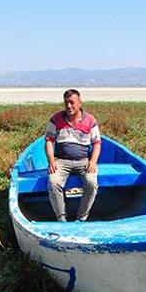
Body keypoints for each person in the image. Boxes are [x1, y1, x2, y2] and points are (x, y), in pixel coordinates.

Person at [45, 89, 101, 222]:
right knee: (53, 183)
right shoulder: (56, 119)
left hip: (83, 161)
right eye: (66, 103)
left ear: (80, 103)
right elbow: (48, 141)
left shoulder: (90, 120)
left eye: (72, 102)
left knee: (92, 183)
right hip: (61, 161)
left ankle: (81, 218)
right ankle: (62, 218)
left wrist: (92, 162)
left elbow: (97, 143)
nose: (69, 106)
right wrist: (51, 162)